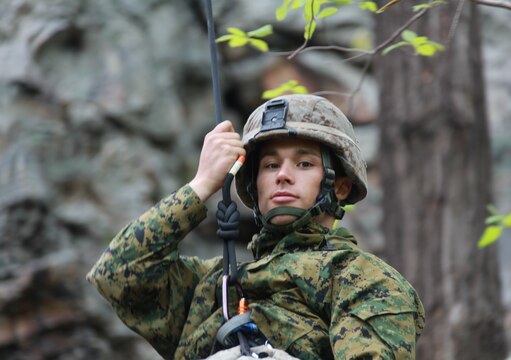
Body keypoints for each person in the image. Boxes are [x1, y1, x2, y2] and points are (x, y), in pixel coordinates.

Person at [87, 94, 425, 359]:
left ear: (340, 187)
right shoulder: (212, 286)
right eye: (270, 164)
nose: (282, 175)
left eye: (304, 163)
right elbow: (117, 276)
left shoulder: (363, 280)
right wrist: (202, 185)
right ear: (254, 185)